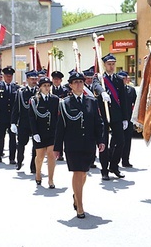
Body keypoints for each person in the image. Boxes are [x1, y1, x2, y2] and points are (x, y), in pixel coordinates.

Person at [54, 71, 105, 219]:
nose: (78, 84)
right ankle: (80, 206)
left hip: (88, 143)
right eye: (75, 82)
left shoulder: (92, 101)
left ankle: (76, 195)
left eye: (81, 82)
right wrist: (57, 148)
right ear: (70, 86)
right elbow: (60, 127)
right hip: (72, 144)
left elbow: (98, 123)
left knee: (84, 173)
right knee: (77, 172)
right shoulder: (65, 104)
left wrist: (101, 140)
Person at [92, 53, 128, 180]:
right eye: (109, 64)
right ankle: (104, 169)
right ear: (104, 65)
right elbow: (95, 86)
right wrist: (102, 92)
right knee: (103, 143)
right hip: (103, 116)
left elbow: (123, 100)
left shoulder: (118, 79)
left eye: (113, 64)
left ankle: (114, 165)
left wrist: (125, 118)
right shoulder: (99, 77)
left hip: (116, 116)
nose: (111, 66)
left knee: (121, 141)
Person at [29, 77, 59, 188]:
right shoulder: (34, 100)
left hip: (52, 132)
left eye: (48, 86)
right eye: (44, 86)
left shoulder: (55, 99)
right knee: (40, 156)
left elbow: (57, 116)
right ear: (40, 87)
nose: (47, 88)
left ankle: (51, 179)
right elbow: (32, 118)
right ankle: (38, 174)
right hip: (39, 133)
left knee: (51, 155)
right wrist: (34, 132)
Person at [11, 70, 38, 171]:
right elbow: (16, 108)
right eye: (32, 79)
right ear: (27, 80)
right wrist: (13, 122)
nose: (34, 81)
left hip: (36, 123)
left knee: (36, 146)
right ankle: (19, 161)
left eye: (35, 79)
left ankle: (34, 166)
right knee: (21, 144)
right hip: (24, 123)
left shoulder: (39, 91)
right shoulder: (21, 92)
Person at [0, 66, 19, 164]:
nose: (9, 78)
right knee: (0, 137)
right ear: (3, 76)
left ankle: (12, 158)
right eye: (7, 76)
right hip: (0, 117)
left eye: (10, 76)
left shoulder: (16, 88)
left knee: (12, 138)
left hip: (12, 118)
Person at [117, 70, 137, 167]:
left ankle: (125, 160)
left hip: (128, 118)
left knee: (127, 140)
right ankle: (114, 160)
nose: (122, 81)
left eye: (124, 79)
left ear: (127, 80)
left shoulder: (131, 90)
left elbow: (135, 104)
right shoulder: (115, 90)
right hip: (117, 118)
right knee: (117, 141)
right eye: (120, 79)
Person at [51, 70, 66, 161]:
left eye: (58, 79)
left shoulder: (64, 90)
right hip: (52, 114)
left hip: (62, 114)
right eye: (54, 79)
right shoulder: (50, 89)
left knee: (61, 134)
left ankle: (60, 153)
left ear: (61, 80)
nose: (56, 81)